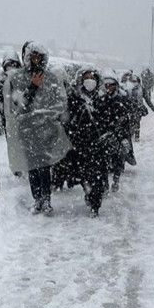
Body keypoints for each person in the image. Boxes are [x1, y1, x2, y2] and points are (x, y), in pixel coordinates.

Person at [3, 41, 71, 215]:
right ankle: (37, 199)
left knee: (44, 166)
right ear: (27, 57)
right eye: (33, 56)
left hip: (47, 130)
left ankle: (46, 200)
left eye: (39, 57)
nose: (36, 60)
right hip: (27, 130)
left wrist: (47, 116)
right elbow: (18, 105)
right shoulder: (17, 78)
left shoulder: (52, 78)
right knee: (32, 166)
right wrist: (32, 88)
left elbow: (60, 103)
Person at [66, 67, 112, 216]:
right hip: (80, 144)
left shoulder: (103, 99)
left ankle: (95, 204)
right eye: (86, 77)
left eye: (92, 78)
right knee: (83, 176)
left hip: (97, 144)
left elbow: (107, 120)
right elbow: (68, 120)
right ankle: (88, 192)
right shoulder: (74, 98)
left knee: (97, 176)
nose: (89, 81)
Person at [97, 75, 131, 193]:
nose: (108, 87)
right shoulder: (101, 100)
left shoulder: (122, 100)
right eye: (106, 85)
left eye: (111, 85)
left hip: (118, 134)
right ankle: (105, 184)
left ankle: (116, 180)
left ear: (115, 86)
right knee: (103, 161)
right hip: (105, 134)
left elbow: (125, 119)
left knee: (118, 159)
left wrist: (122, 135)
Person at [0, 50, 21, 124]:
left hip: (21, 115)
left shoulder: (22, 78)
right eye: (9, 65)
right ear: (5, 66)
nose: (11, 68)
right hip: (7, 116)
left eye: (14, 65)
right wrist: (3, 108)